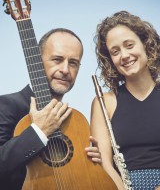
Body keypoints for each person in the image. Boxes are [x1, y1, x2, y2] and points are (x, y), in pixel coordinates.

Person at [91, 11, 160, 190]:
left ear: (145, 44)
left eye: (129, 45)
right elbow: (105, 165)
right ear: (110, 60)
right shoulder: (103, 102)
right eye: (115, 51)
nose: (124, 55)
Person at [0, 28, 101, 190]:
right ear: (38, 62)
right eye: (57, 59)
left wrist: (91, 165)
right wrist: (38, 131)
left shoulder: (74, 122)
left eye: (73, 63)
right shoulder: (5, 106)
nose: (65, 70)